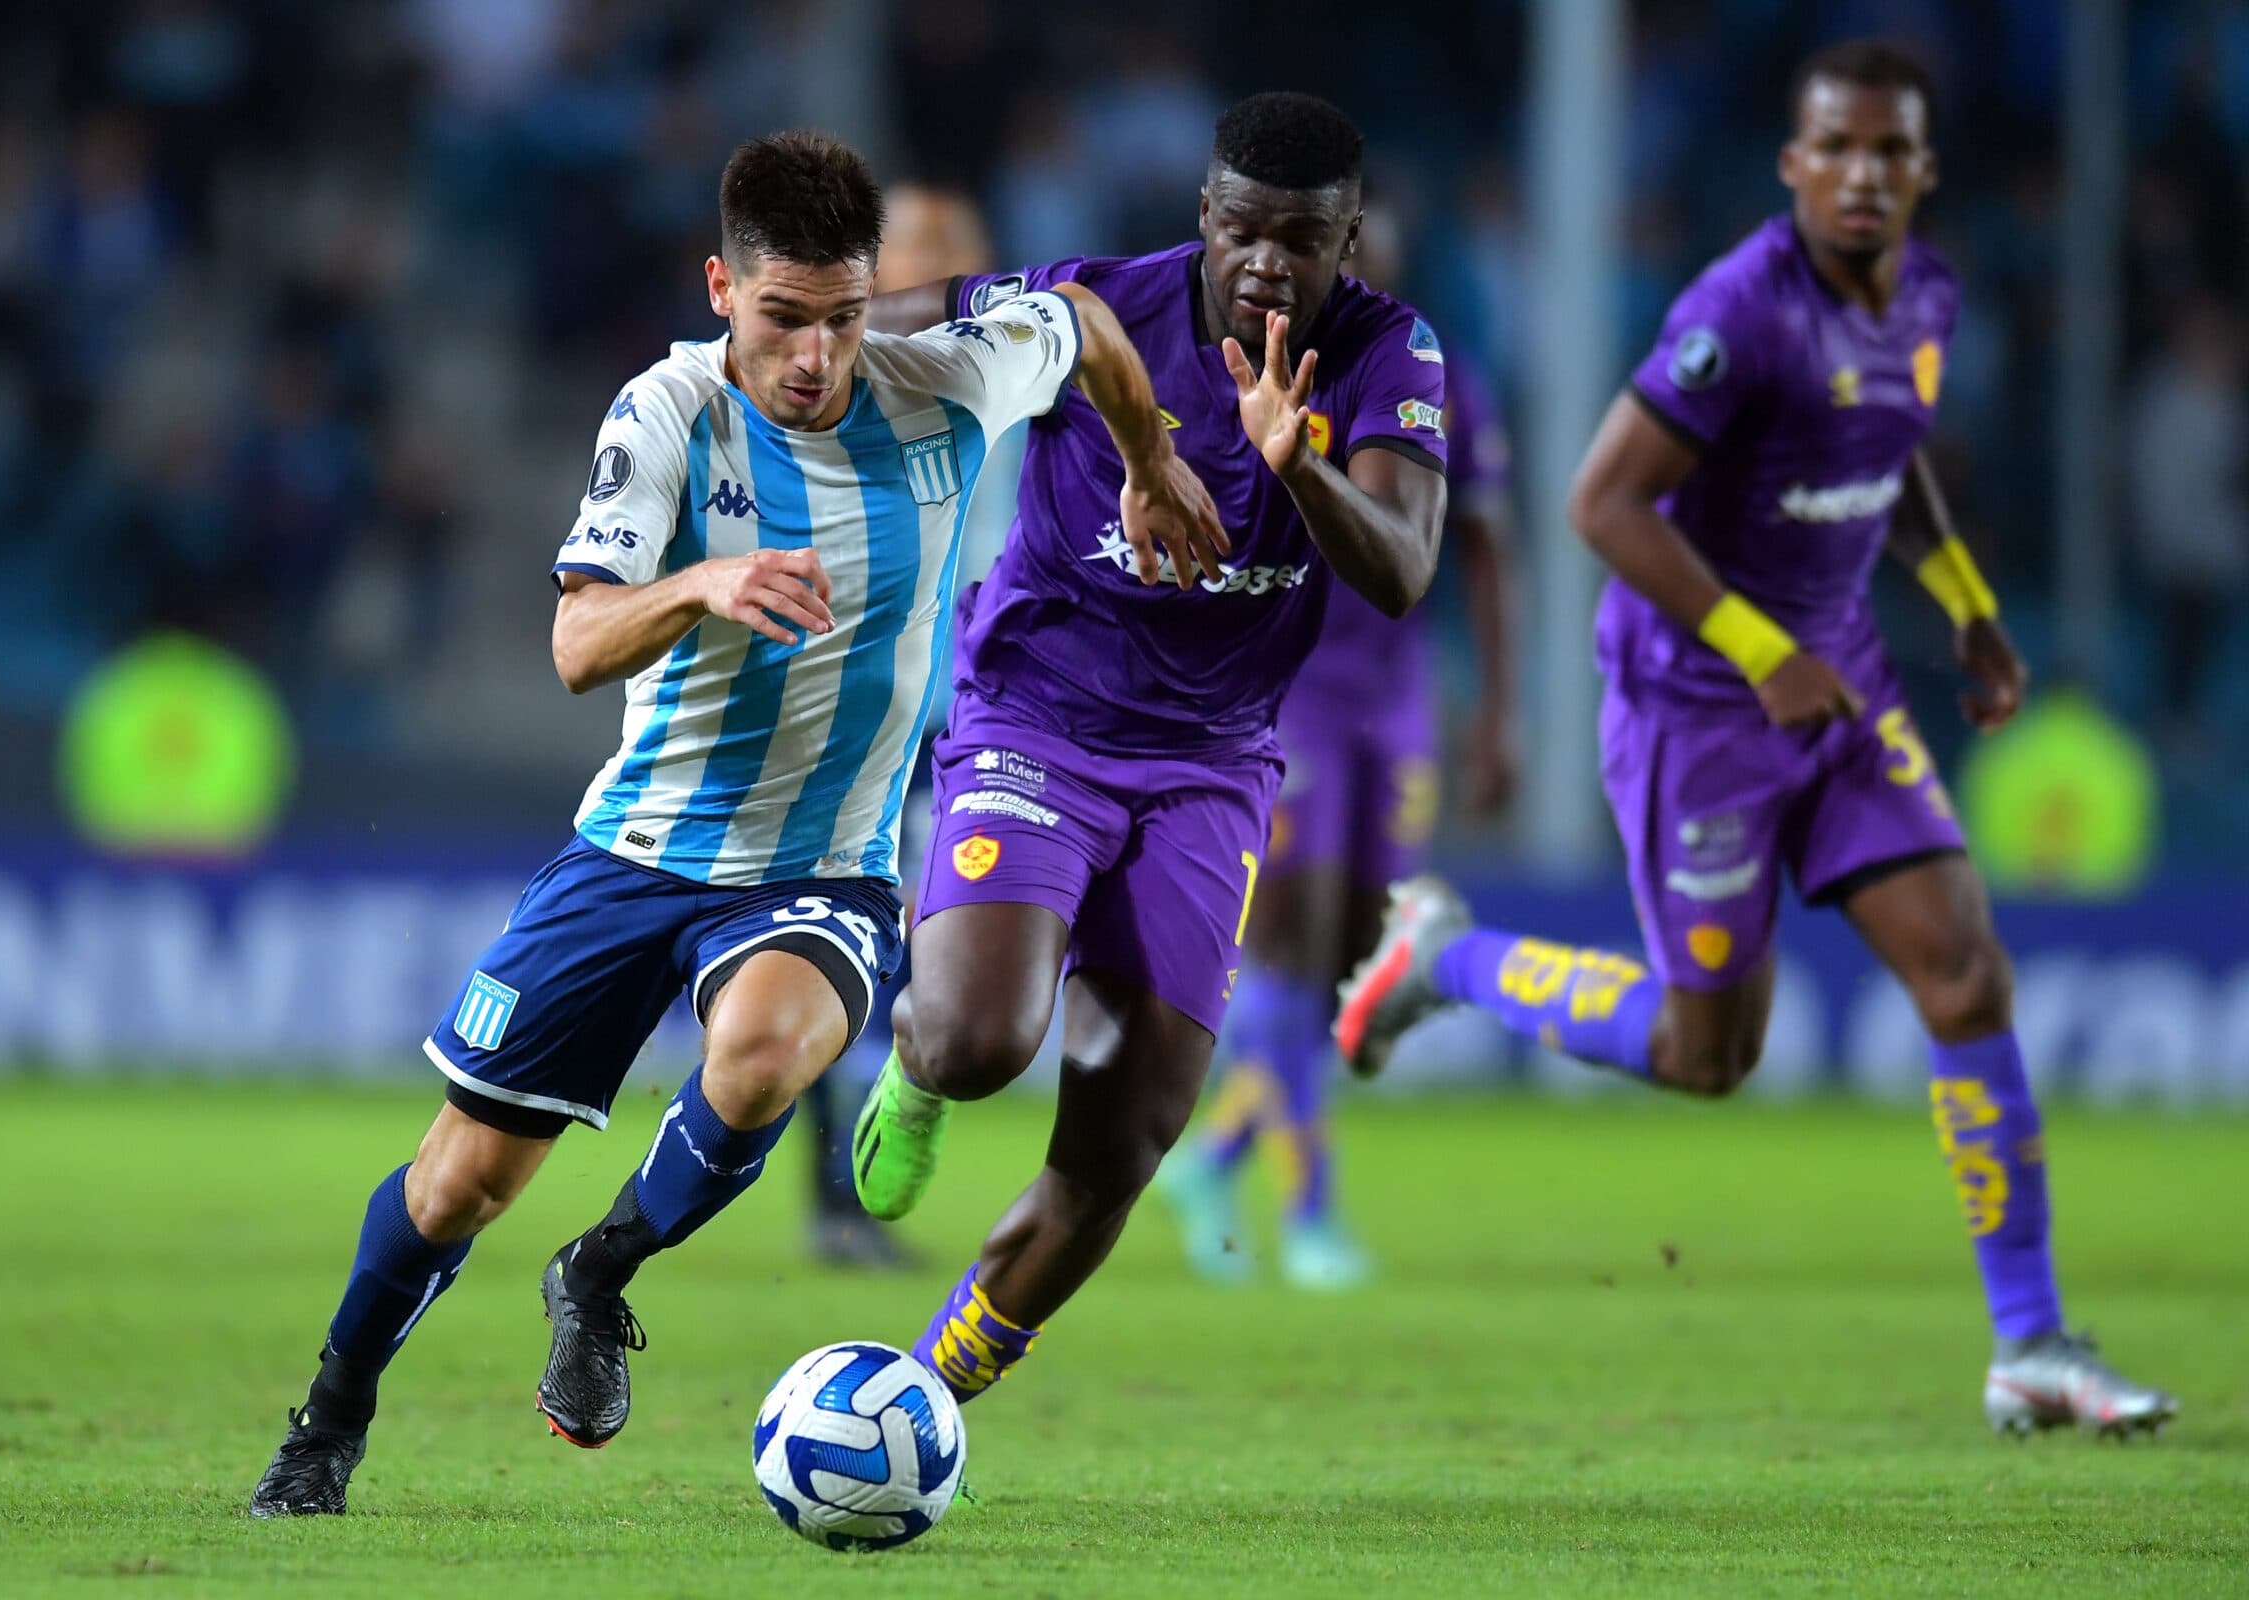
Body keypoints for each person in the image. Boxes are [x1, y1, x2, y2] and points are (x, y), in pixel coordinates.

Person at [249, 130, 1220, 1515]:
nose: (815, 358)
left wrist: (1146, 456)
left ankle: (599, 1272)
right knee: (456, 1183)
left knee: (765, 1056)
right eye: (782, 321)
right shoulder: (666, 415)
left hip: (823, 869)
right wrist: (701, 584)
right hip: (634, 855)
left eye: (839, 319)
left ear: (871, 294)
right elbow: (579, 643)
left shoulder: (945, 385)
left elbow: (1082, 327)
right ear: (722, 288)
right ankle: (328, 1420)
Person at [1335, 41, 2177, 1436]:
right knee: (1706, 1053)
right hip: (1700, 707)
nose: (1861, 175)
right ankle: (1448, 959)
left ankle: (2030, 1345)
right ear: (1794, 166)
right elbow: (1604, 506)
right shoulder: (1741, 312)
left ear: (1923, 170)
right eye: (1834, 149)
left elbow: (1882, 452)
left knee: (1966, 978)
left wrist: (1965, 605)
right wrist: (1762, 653)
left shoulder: (1931, 296)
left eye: (1888, 152)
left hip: (1835, 693)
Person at [852, 92, 1448, 1402]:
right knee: (978, 1040)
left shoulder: (1388, 357)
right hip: (1037, 717)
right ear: (1204, 216)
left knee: (1126, 1142)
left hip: (1211, 764)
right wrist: (800, 339)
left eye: (1303, 237)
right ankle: (917, 1062)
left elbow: (1403, 568)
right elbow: (909, 318)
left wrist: (1298, 468)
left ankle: (927, 1391)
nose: (1266, 262)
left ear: (1349, 239)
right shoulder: (1087, 301)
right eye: (1242, 228)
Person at [1162, 195, 1517, 1290]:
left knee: (1354, 964)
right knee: (1291, 939)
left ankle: (1217, 1151)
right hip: (1290, 685)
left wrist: (1500, 709)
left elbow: (1488, 551)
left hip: (1397, 694)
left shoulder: (1435, 382)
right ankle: (1311, 1207)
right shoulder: (1241, 374)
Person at [796, 180, 1006, 1269]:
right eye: (904, 252)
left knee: (923, 953)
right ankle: (832, 1196)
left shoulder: (1015, 391)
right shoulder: (833, 399)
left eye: (946, 250)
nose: (922, 271)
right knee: (849, 946)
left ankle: (854, 1178)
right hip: (864, 715)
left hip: (980, 719)